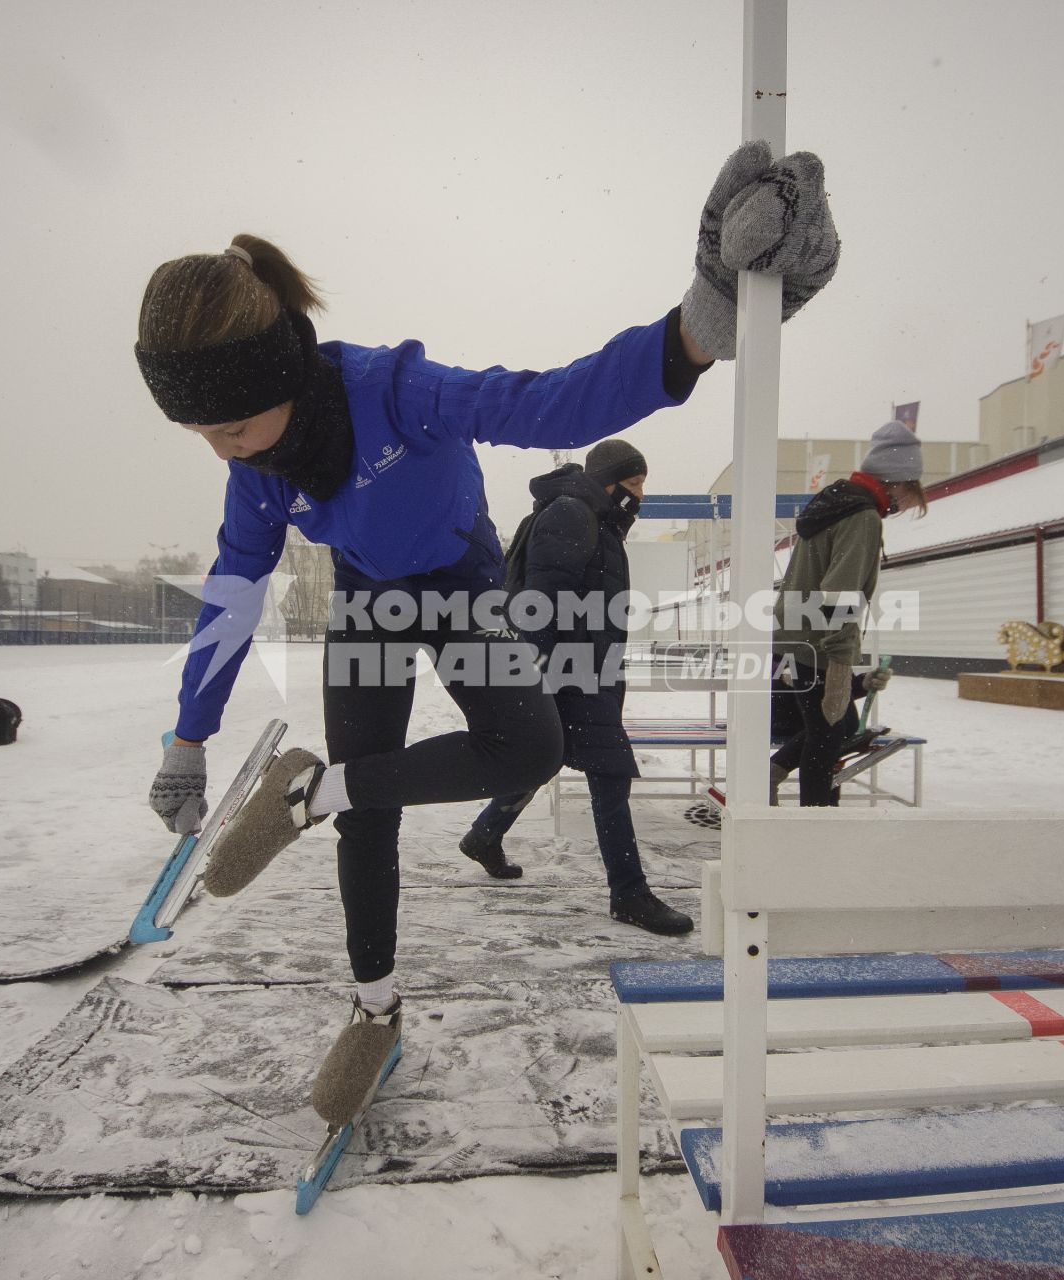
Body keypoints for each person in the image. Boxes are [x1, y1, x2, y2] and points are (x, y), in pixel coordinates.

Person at [136, 142, 838, 1127]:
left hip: (462, 579)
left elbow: (541, 399)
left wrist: (693, 335)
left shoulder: (394, 387)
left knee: (534, 743)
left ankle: (311, 794)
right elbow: (234, 589)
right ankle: (373, 1007)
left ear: (283, 370)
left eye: (234, 426)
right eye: (204, 436)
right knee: (374, 813)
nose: (225, 451)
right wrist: (186, 737)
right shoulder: (257, 477)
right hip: (374, 601)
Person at [458, 439, 693, 936]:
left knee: (543, 758)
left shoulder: (593, 518)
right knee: (610, 776)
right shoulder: (572, 514)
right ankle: (629, 892)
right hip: (571, 669)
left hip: (586, 666)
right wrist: (534, 671)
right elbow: (541, 599)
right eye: (633, 484)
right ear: (608, 482)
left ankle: (485, 834)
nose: (641, 495)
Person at [769, 420, 924, 806]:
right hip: (816, 643)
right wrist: (840, 666)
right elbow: (840, 592)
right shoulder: (862, 516)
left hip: (794, 634)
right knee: (826, 741)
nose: (904, 506)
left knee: (833, 728)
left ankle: (772, 775)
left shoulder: (835, 501)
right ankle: (818, 829)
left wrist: (856, 678)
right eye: (910, 494)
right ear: (898, 481)